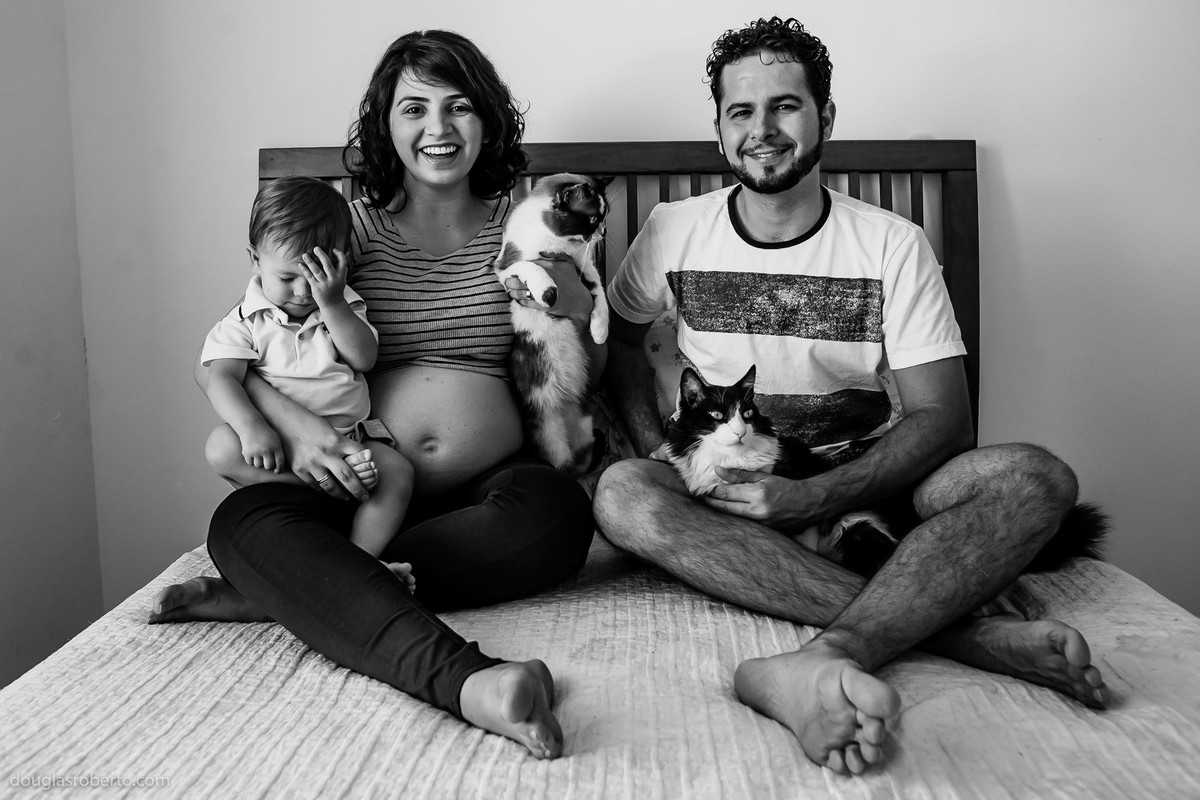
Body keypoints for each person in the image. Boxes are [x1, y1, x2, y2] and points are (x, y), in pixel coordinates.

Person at [593, 16, 1106, 775]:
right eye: (740, 111)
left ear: (825, 117)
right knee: (621, 494)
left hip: (875, 479)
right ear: (719, 130)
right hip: (735, 486)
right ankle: (954, 629)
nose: (762, 130)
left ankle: (835, 649)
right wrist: (658, 451)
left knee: (1036, 477)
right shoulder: (673, 229)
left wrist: (815, 497)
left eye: (785, 106)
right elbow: (622, 346)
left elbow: (944, 418)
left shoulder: (892, 243)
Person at [150, 29, 600, 760]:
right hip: (351, 478)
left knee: (558, 515)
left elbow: (580, 375)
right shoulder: (343, 228)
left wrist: (579, 311)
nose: (437, 128)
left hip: (480, 492)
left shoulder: (526, 228)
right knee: (239, 521)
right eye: (413, 108)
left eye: (458, 106)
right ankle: (472, 682)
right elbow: (239, 353)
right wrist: (304, 434)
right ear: (385, 126)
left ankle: (290, 589)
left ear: (487, 119)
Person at [202, 176, 414, 580]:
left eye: (317, 275)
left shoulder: (343, 304)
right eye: (287, 278)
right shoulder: (244, 321)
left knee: (398, 472)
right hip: (281, 446)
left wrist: (332, 303)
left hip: (353, 442)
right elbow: (222, 378)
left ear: (342, 260)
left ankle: (359, 562)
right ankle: (319, 482)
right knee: (220, 448)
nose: (302, 292)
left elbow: (364, 358)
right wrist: (251, 427)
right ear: (255, 259)